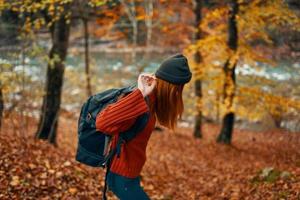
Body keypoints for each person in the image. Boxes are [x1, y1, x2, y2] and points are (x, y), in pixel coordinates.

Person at [95, 54, 192, 200]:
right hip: (121, 176)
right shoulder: (141, 100)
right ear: (171, 87)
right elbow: (102, 123)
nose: (179, 93)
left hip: (131, 174)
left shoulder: (153, 100)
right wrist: (140, 94)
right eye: (179, 88)